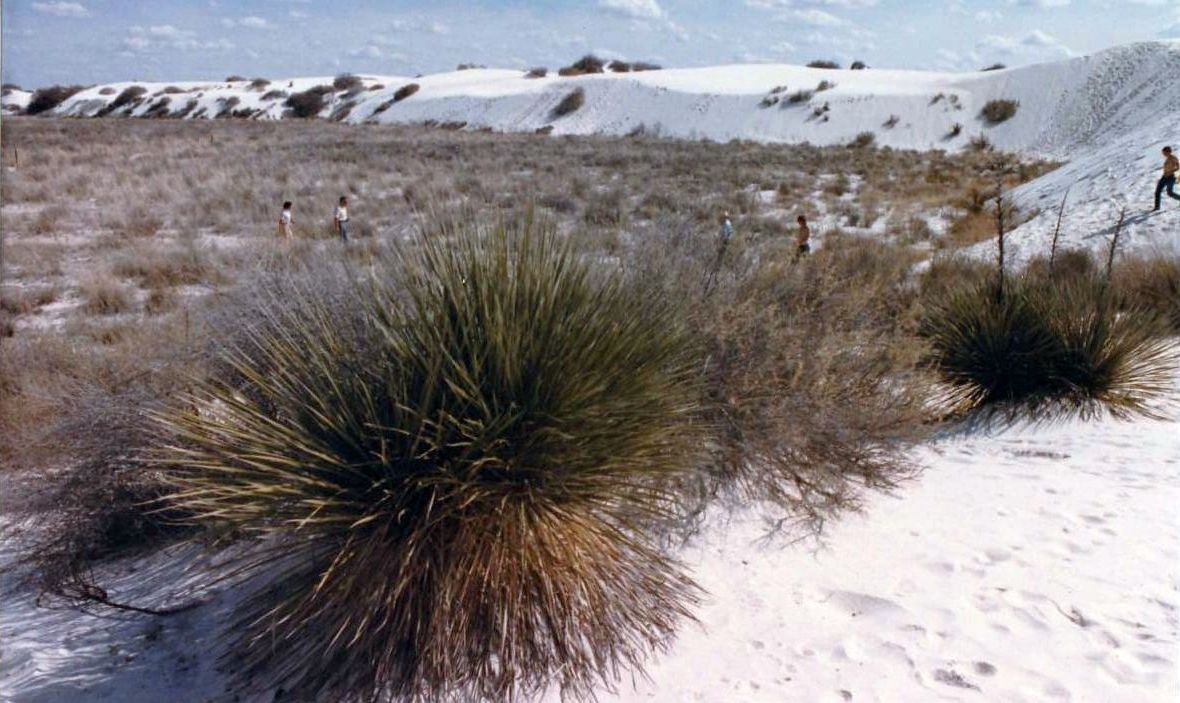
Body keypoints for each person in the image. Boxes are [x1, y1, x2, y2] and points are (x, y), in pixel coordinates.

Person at [1154, 146, 1180, 211]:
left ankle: (1157, 207)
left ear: (1168, 152)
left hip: (1170, 177)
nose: (1163, 154)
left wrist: (1172, 171)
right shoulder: (1168, 158)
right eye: (1163, 153)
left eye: (1164, 152)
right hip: (1165, 176)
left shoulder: (1173, 158)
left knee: (1165, 192)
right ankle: (1157, 207)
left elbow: (1178, 167)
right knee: (1166, 192)